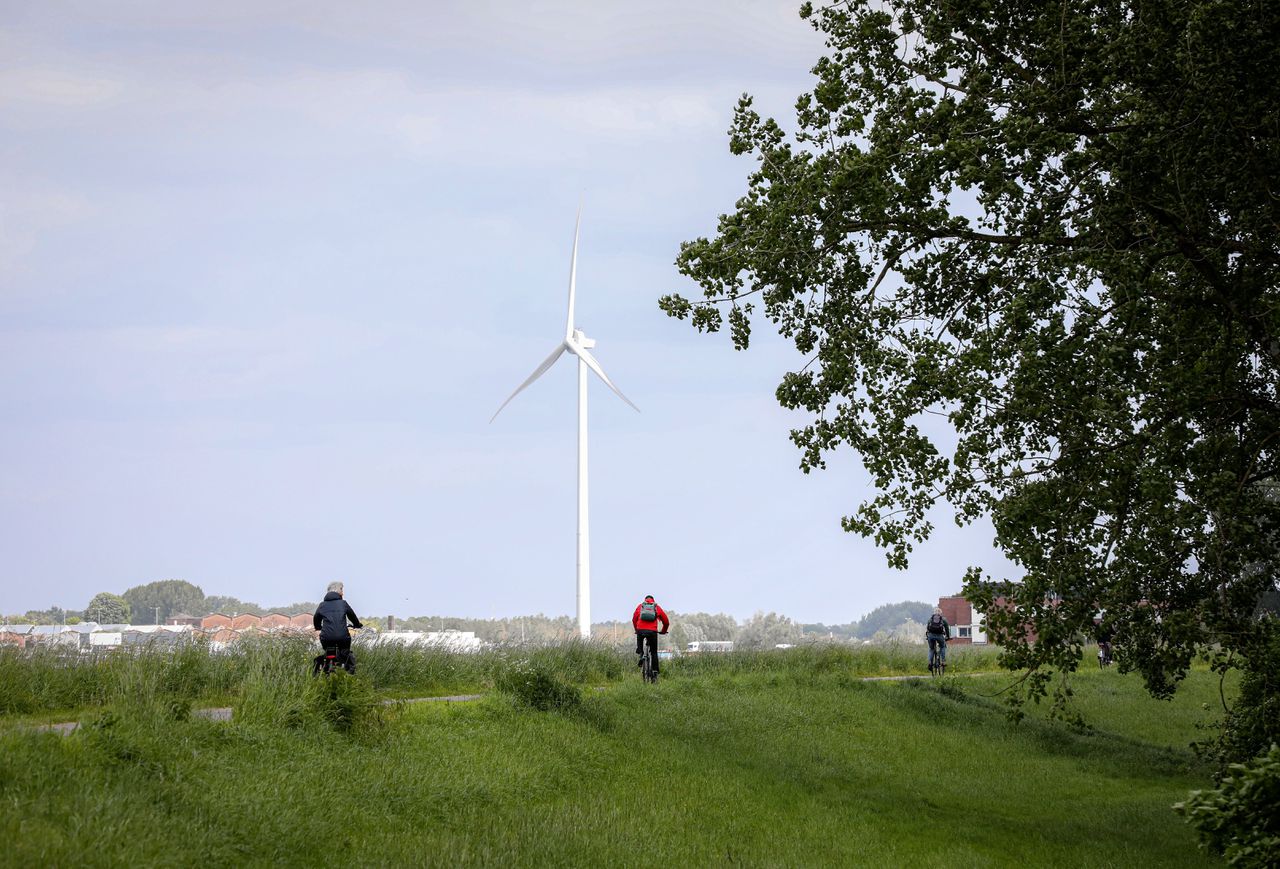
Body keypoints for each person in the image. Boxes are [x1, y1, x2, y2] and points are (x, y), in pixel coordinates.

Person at [312, 581, 363, 674]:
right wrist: (357, 624)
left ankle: (322, 665)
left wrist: (318, 627)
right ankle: (350, 673)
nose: (343, 593)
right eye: (342, 590)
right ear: (338, 591)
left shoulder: (322, 605)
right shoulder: (343, 603)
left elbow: (316, 618)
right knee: (345, 653)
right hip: (342, 637)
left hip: (326, 637)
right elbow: (352, 616)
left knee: (327, 652)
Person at [632, 595, 669, 675]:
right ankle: (655, 672)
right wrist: (663, 631)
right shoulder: (656, 607)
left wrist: (636, 630)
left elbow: (634, 619)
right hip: (652, 632)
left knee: (639, 638)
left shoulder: (640, 606)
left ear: (645, 600)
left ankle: (641, 654)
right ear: (653, 600)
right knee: (654, 652)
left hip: (640, 630)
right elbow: (666, 621)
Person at [925, 607, 950, 671]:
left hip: (931, 636)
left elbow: (928, 628)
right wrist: (948, 636)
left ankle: (930, 663)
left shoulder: (930, 619)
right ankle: (943, 661)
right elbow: (947, 629)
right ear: (940, 613)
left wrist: (928, 637)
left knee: (931, 649)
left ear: (934, 613)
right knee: (942, 646)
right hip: (940, 636)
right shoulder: (943, 619)